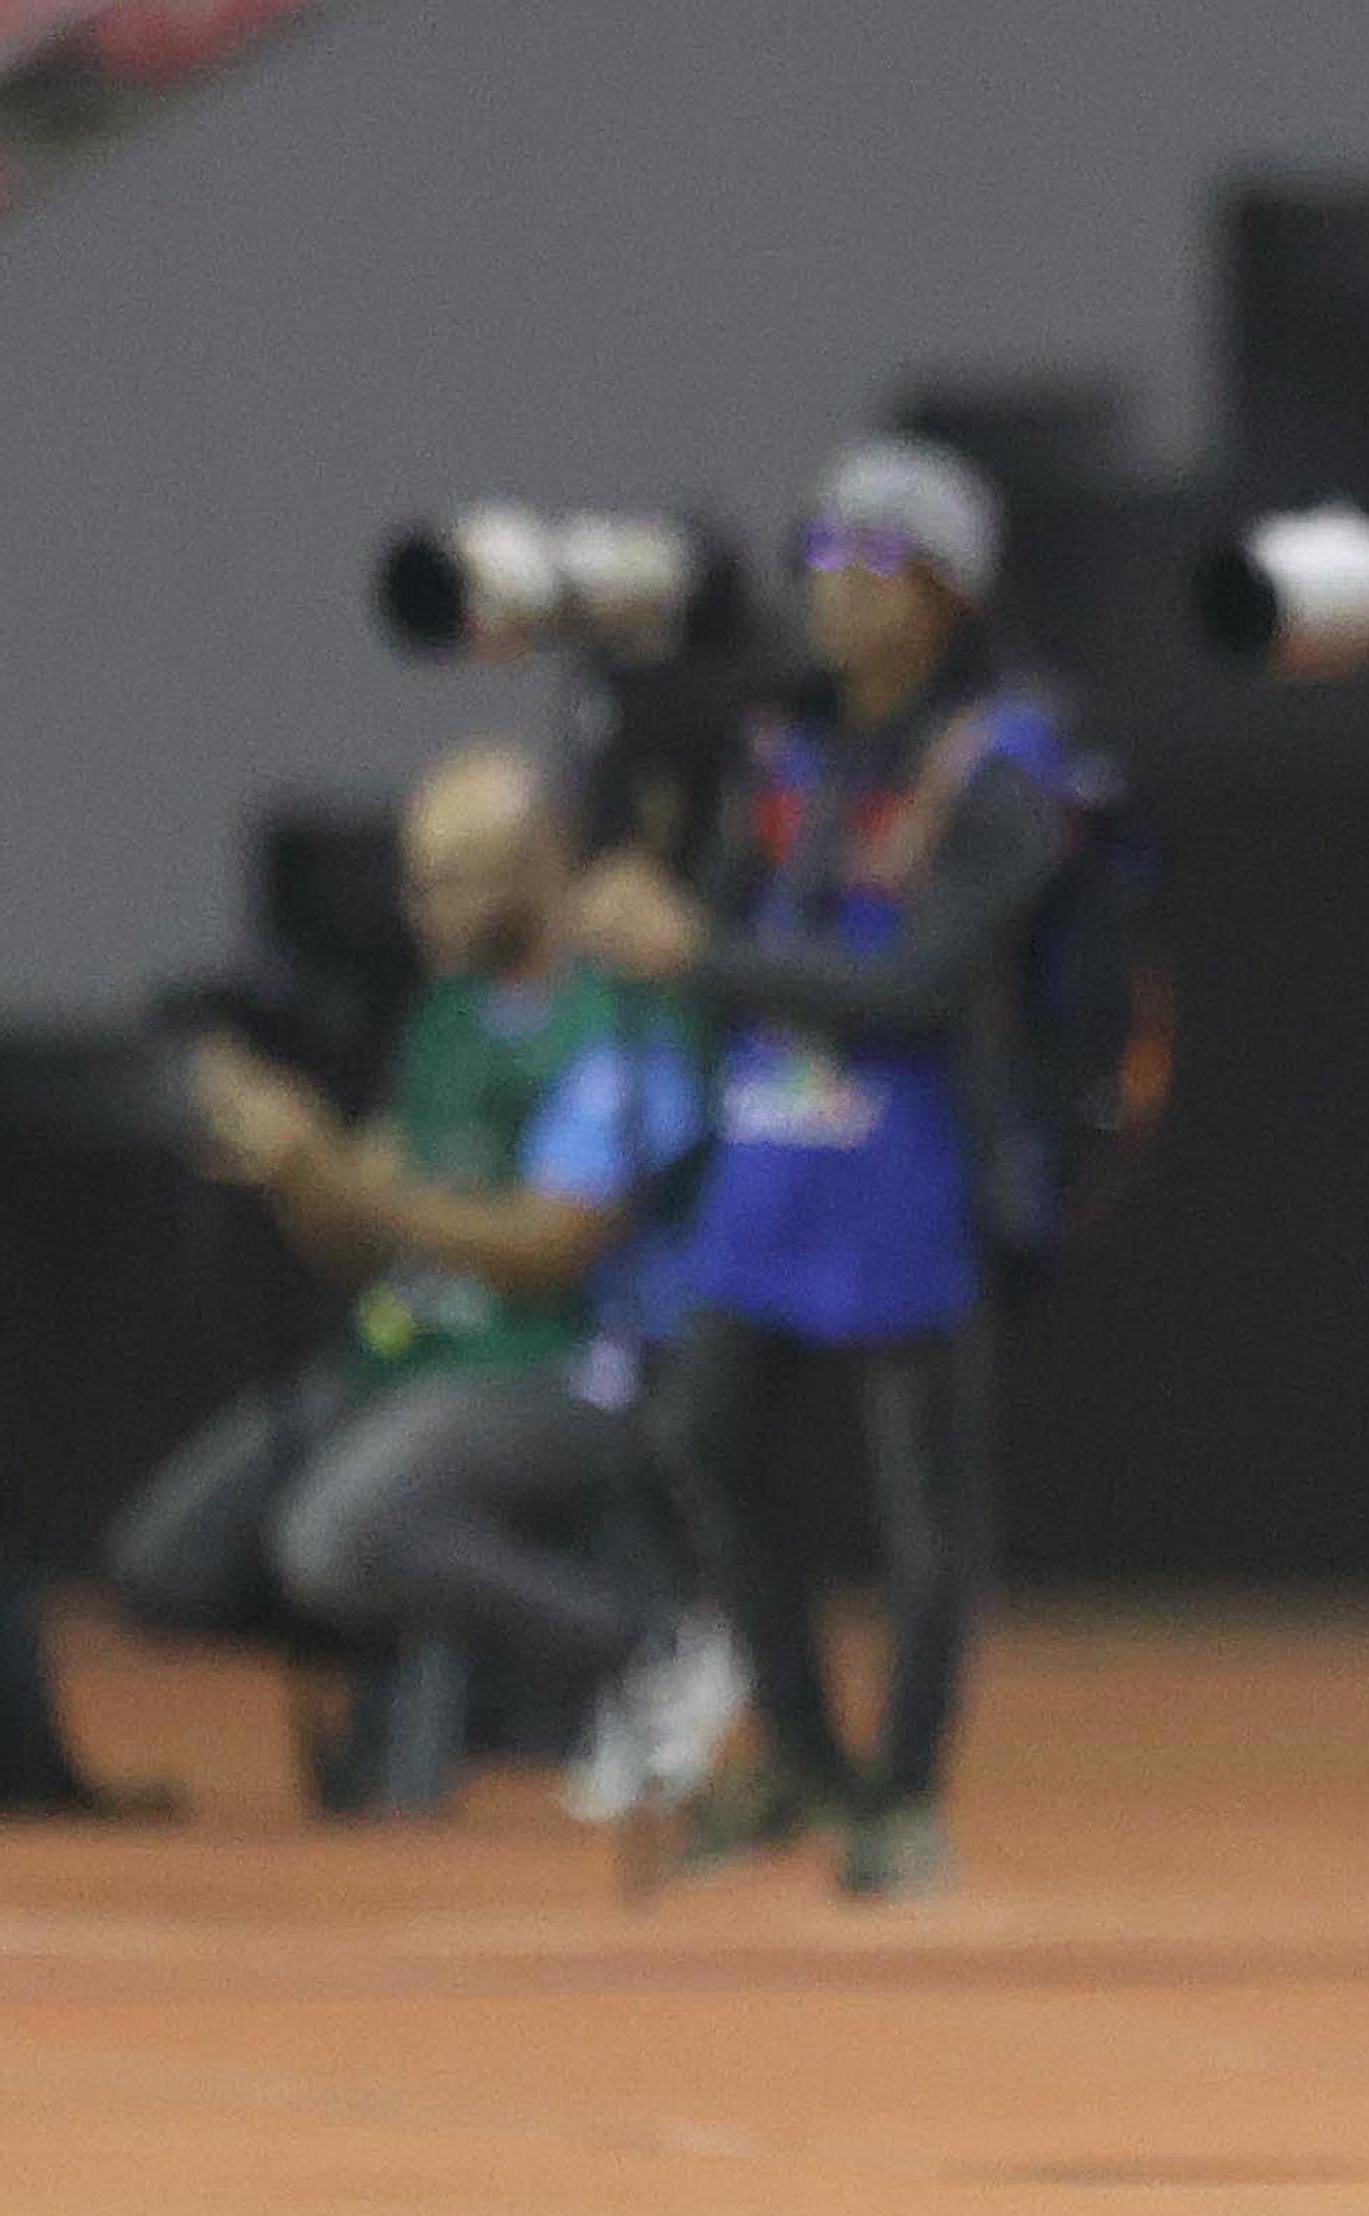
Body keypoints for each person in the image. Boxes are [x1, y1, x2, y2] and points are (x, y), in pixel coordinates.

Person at [570, 436, 1075, 1901]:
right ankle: (798, 1747)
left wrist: (703, 948)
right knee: (702, 1434)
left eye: (873, 561)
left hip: (917, 1167)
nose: (834, 588)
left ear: (946, 592)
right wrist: (649, 919)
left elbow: (925, 982)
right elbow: (721, 940)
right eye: (823, 556)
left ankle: (903, 1792)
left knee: (927, 1507)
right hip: (774, 1157)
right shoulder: (785, 756)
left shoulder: (1002, 768)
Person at [105, 743, 732, 1818]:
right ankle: (430, 1673)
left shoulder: (620, 1020)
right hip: (416, 1354)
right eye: (416, 875)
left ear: (540, 867)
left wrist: (345, 1179)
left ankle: (648, 1645)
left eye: (453, 875)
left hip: (573, 1361)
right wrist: (295, 1171)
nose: (419, 905)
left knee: (334, 1539)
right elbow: (369, 1237)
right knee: (168, 1561)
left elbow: (549, 1246)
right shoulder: (449, 1017)